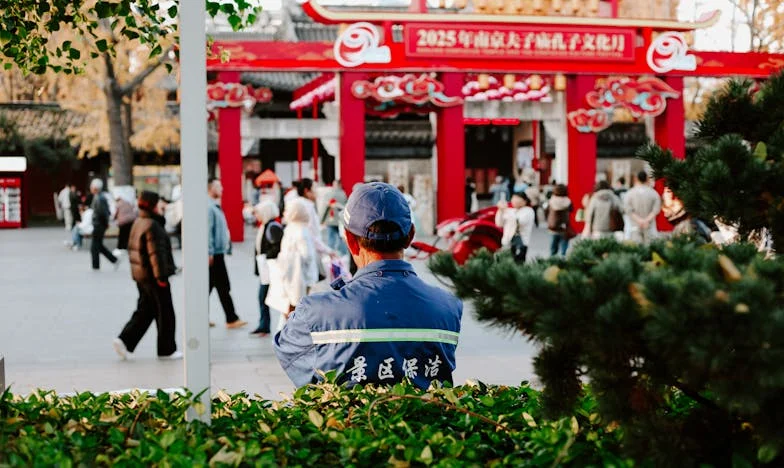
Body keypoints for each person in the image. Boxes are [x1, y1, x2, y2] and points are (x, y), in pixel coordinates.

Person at [274, 182, 462, 389]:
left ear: (350, 241)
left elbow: (294, 361)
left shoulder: (313, 312)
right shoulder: (448, 306)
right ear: (410, 236)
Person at [113, 191, 181, 360]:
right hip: (153, 277)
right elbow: (156, 255)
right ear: (153, 205)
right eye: (159, 203)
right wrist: (162, 277)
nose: (163, 206)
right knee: (165, 313)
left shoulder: (139, 221)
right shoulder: (153, 225)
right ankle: (167, 349)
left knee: (146, 310)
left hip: (142, 275)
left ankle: (124, 340)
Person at [208, 178, 247, 329]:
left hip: (217, 253)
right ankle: (231, 318)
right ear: (211, 188)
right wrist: (209, 252)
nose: (222, 189)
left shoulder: (214, 206)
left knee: (213, 286)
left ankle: (202, 315)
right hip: (214, 254)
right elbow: (208, 231)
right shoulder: (209, 207)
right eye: (219, 186)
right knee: (222, 286)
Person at [274, 197, 318, 332]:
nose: (284, 212)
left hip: (295, 275)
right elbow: (308, 255)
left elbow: (306, 255)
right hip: (297, 275)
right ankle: (291, 333)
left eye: (287, 209)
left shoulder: (295, 230)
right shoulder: (299, 229)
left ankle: (290, 333)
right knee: (294, 307)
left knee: (292, 307)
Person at [252, 200, 283, 336]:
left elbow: (278, 247)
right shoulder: (265, 226)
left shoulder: (272, 227)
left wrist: (266, 257)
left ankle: (265, 325)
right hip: (266, 269)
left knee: (265, 297)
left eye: (258, 212)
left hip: (271, 268)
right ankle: (264, 325)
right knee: (263, 297)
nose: (256, 215)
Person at [495, 192, 536, 263]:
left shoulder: (528, 211)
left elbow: (519, 222)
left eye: (517, 199)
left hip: (521, 243)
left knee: (518, 263)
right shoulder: (510, 210)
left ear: (524, 201)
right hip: (507, 242)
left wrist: (505, 210)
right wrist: (500, 211)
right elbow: (499, 223)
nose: (514, 201)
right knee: (505, 264)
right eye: (513, 199)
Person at [89, 179, 119, 270]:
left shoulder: (100, 198)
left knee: (95, 247)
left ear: (95, 188)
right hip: (99, 224)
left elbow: (103, 213)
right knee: (98, 245)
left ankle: (96, 266)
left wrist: (105, 223)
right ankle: (113, 260)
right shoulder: (99, 197)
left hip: (99, 224)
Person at [623, 171, 662, 244]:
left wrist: (640, 221)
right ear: (647, 179)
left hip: (635, 227)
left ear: (636, 179)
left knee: (637, 250)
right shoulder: (654, 193)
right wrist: (646, 220)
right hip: (649, 227)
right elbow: (656, 210)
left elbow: (628, 210)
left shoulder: (629, 193)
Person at [322, 180, 348, 255]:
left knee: (331, 238)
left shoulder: (328, 194)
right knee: (341, 238)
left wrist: (322, 220)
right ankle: (343, 254)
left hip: (330, 219)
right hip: (340, 220)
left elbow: (325, 208)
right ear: (340, 184)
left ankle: (331, 253)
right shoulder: (343, 194)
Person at [546, 184, 573, 256]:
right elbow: (571, 210)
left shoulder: (551, 201)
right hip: (564, 226)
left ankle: (552, 260)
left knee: (553, 246)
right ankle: (563, 259)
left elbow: (546, 211)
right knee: (564, 247)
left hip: (553, 226)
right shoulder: (568, 201)